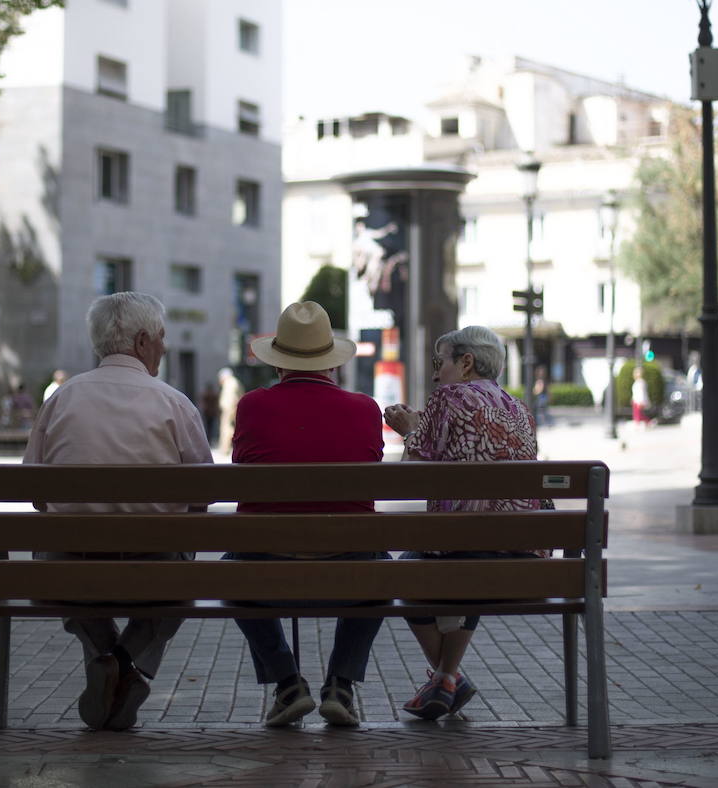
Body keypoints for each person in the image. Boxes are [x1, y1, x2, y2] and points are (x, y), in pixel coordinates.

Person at [23, 292, 212, 731]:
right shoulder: (174, 403)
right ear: (143, 341)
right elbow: (204, 494)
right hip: (155, 571)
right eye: (162, 338)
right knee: (182, 573)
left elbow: (34, 493)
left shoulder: (61, 399)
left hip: (69, 572)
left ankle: (106, 660)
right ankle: (126, 662)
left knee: (53, 556)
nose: (164, 346)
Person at [227, 300, 385, 728]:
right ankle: (340, 685)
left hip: (265, 569)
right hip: (350, 570)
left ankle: (287, 684)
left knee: (228, 571)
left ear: (278, 363)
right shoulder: (365, 409)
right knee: (383, 570)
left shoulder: (252, 406)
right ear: (330, 363)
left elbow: (242, 465)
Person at [383, 325, 545, 721]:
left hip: (467, 544)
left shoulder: (448, 397)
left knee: (401, 572)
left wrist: (409, 432)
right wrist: (427, 425)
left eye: (441, 363)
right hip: (525, 551)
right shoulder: (517, 406)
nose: (437, 374)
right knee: (465, 562)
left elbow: (413, 474)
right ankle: (447, 679)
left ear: (466, 362)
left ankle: (447, 676)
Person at [216, 366, 243, 454]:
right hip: (231, 408)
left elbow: (231, 398)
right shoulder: (234, 382)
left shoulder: (230, 383)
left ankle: (225, 448)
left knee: (226, 428)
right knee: (230, 428)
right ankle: (226, 447)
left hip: (229, 408)